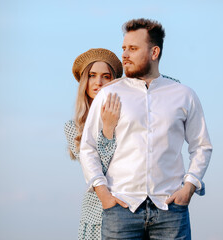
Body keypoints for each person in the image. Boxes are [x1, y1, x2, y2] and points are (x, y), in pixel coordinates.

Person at [80, 18, 213, 239]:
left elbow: (202, 145)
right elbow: (88, 148)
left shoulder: (183, 95)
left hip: (171, 209)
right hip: (120, 209)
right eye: (123, 48)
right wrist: (104, 194)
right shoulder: (108, 95)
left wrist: (189, 187)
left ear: (154, 52)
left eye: (132, 49)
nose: (124, 55)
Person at [64, 48, 123, 240]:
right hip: (96, 215)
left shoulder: (128, 119)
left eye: (106, 76)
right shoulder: (74, 127)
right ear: (84, 82)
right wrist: (108, 128)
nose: (98, 82)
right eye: (92, 76)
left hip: (133, 210)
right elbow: (97, 170)